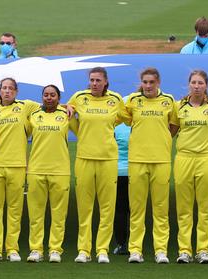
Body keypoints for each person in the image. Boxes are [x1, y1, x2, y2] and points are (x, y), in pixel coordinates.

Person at [68, 67, 126, 264]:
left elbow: (125, 117)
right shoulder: (79, 97)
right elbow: (68, 117)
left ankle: (102, 250)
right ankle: (84, 250)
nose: (94, 83)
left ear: (105, 82)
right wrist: (81, 134)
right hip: (84, 158)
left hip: (108, 159)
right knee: (85, 207)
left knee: (107, 207)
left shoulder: (115, 99)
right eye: (92, 80)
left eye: (98, 80)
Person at [120, 68, 177, 264]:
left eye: (152, 82)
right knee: (136, 209)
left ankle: (160, 250)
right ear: (141, 83)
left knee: (160, 209)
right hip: (137, 160)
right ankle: (135, 250)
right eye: (145, 82)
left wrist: (162, 139)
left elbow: (174, 124)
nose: (148, 86)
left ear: (158, 82)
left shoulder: (169, 100)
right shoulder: (133, 101)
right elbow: (119, 117)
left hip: (161, 160)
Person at [171, 70, 208, 264]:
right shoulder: (178, 106)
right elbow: (169, 132)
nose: (197, 86)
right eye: (193, 82)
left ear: (206, 86)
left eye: (200, 83)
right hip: (184, 159)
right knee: (184, 208)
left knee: (205, 208)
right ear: (189, 85)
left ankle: (203, 250)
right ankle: (184, 250)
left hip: (206, 159)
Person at [0, 77, 39, 262]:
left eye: (10, 88)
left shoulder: (26, 106)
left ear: (16, 91)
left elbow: (50, 103)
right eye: (4, 88)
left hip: (17, 165)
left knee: (15, 210)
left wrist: (68, 106)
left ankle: (12, 249)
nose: (7, 91)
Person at [26, 85, 77, 263]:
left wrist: (71, 107)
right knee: (36, 213)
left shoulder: (66, 115)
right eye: (46, 95)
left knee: (58, 214)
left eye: (52, 95)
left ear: (58, 97)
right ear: (42, 97)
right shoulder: (32, 115)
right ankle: (36, 250)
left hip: (60, 170)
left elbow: (81, 130)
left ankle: (55, 249)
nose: (49, 98)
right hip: (36, 170)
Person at [112, 123, 130, 256]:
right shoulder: (140, 123)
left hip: (118, 172)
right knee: (137, 211)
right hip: (137, 171)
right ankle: (135, 244)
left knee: (120, 210)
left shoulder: (114, 125)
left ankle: (122, 244)